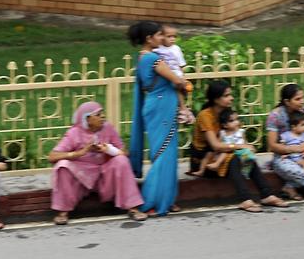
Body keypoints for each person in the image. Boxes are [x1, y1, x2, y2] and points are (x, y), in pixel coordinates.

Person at [190, 80, 287, 212]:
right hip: (205, 161)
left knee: (247, 157)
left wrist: (243, 147)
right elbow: (215, 145)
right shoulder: (205, 116)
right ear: (215, 99)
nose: (231, 98)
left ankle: (266, 195)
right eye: (226, 95)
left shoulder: (227, 113)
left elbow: (237, 136)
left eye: (230, 94)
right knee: (235, 158)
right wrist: (241, 146)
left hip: (223, 155)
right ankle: (245, 199)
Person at [48, 102, 146, 225]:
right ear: (87, 119)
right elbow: (52, 156)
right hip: (82, 177)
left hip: (105, 175)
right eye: (98, 115)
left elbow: (124, 153)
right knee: (62, 165)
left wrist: (109, 150)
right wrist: (79, 153)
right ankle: (62, 212)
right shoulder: (74, 133)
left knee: (121, 160)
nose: (103, 117)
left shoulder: (108, 128)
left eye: (102, 114)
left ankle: (133, 208)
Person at [127, 21, 185, 217]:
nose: (162, 39)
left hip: (157, 105)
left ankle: (165, 200)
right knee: (163, 155)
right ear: (148, 38)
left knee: (161, 153)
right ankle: (151, 201)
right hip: (161, 107)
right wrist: (184, 82)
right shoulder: (153, 58)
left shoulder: (143, 57)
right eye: (159, 35)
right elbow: (177, 80)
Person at [154, 24, 194, 124]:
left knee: (181, 88)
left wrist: (182, 76)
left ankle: (183, 109)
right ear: (161, 36)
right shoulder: (157, 48)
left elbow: (181, 64)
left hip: (176, 74)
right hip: (164, 74)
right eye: (169, 36)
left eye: (174, 36)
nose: (172, 39)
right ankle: (182, 109)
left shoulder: (176, 49)